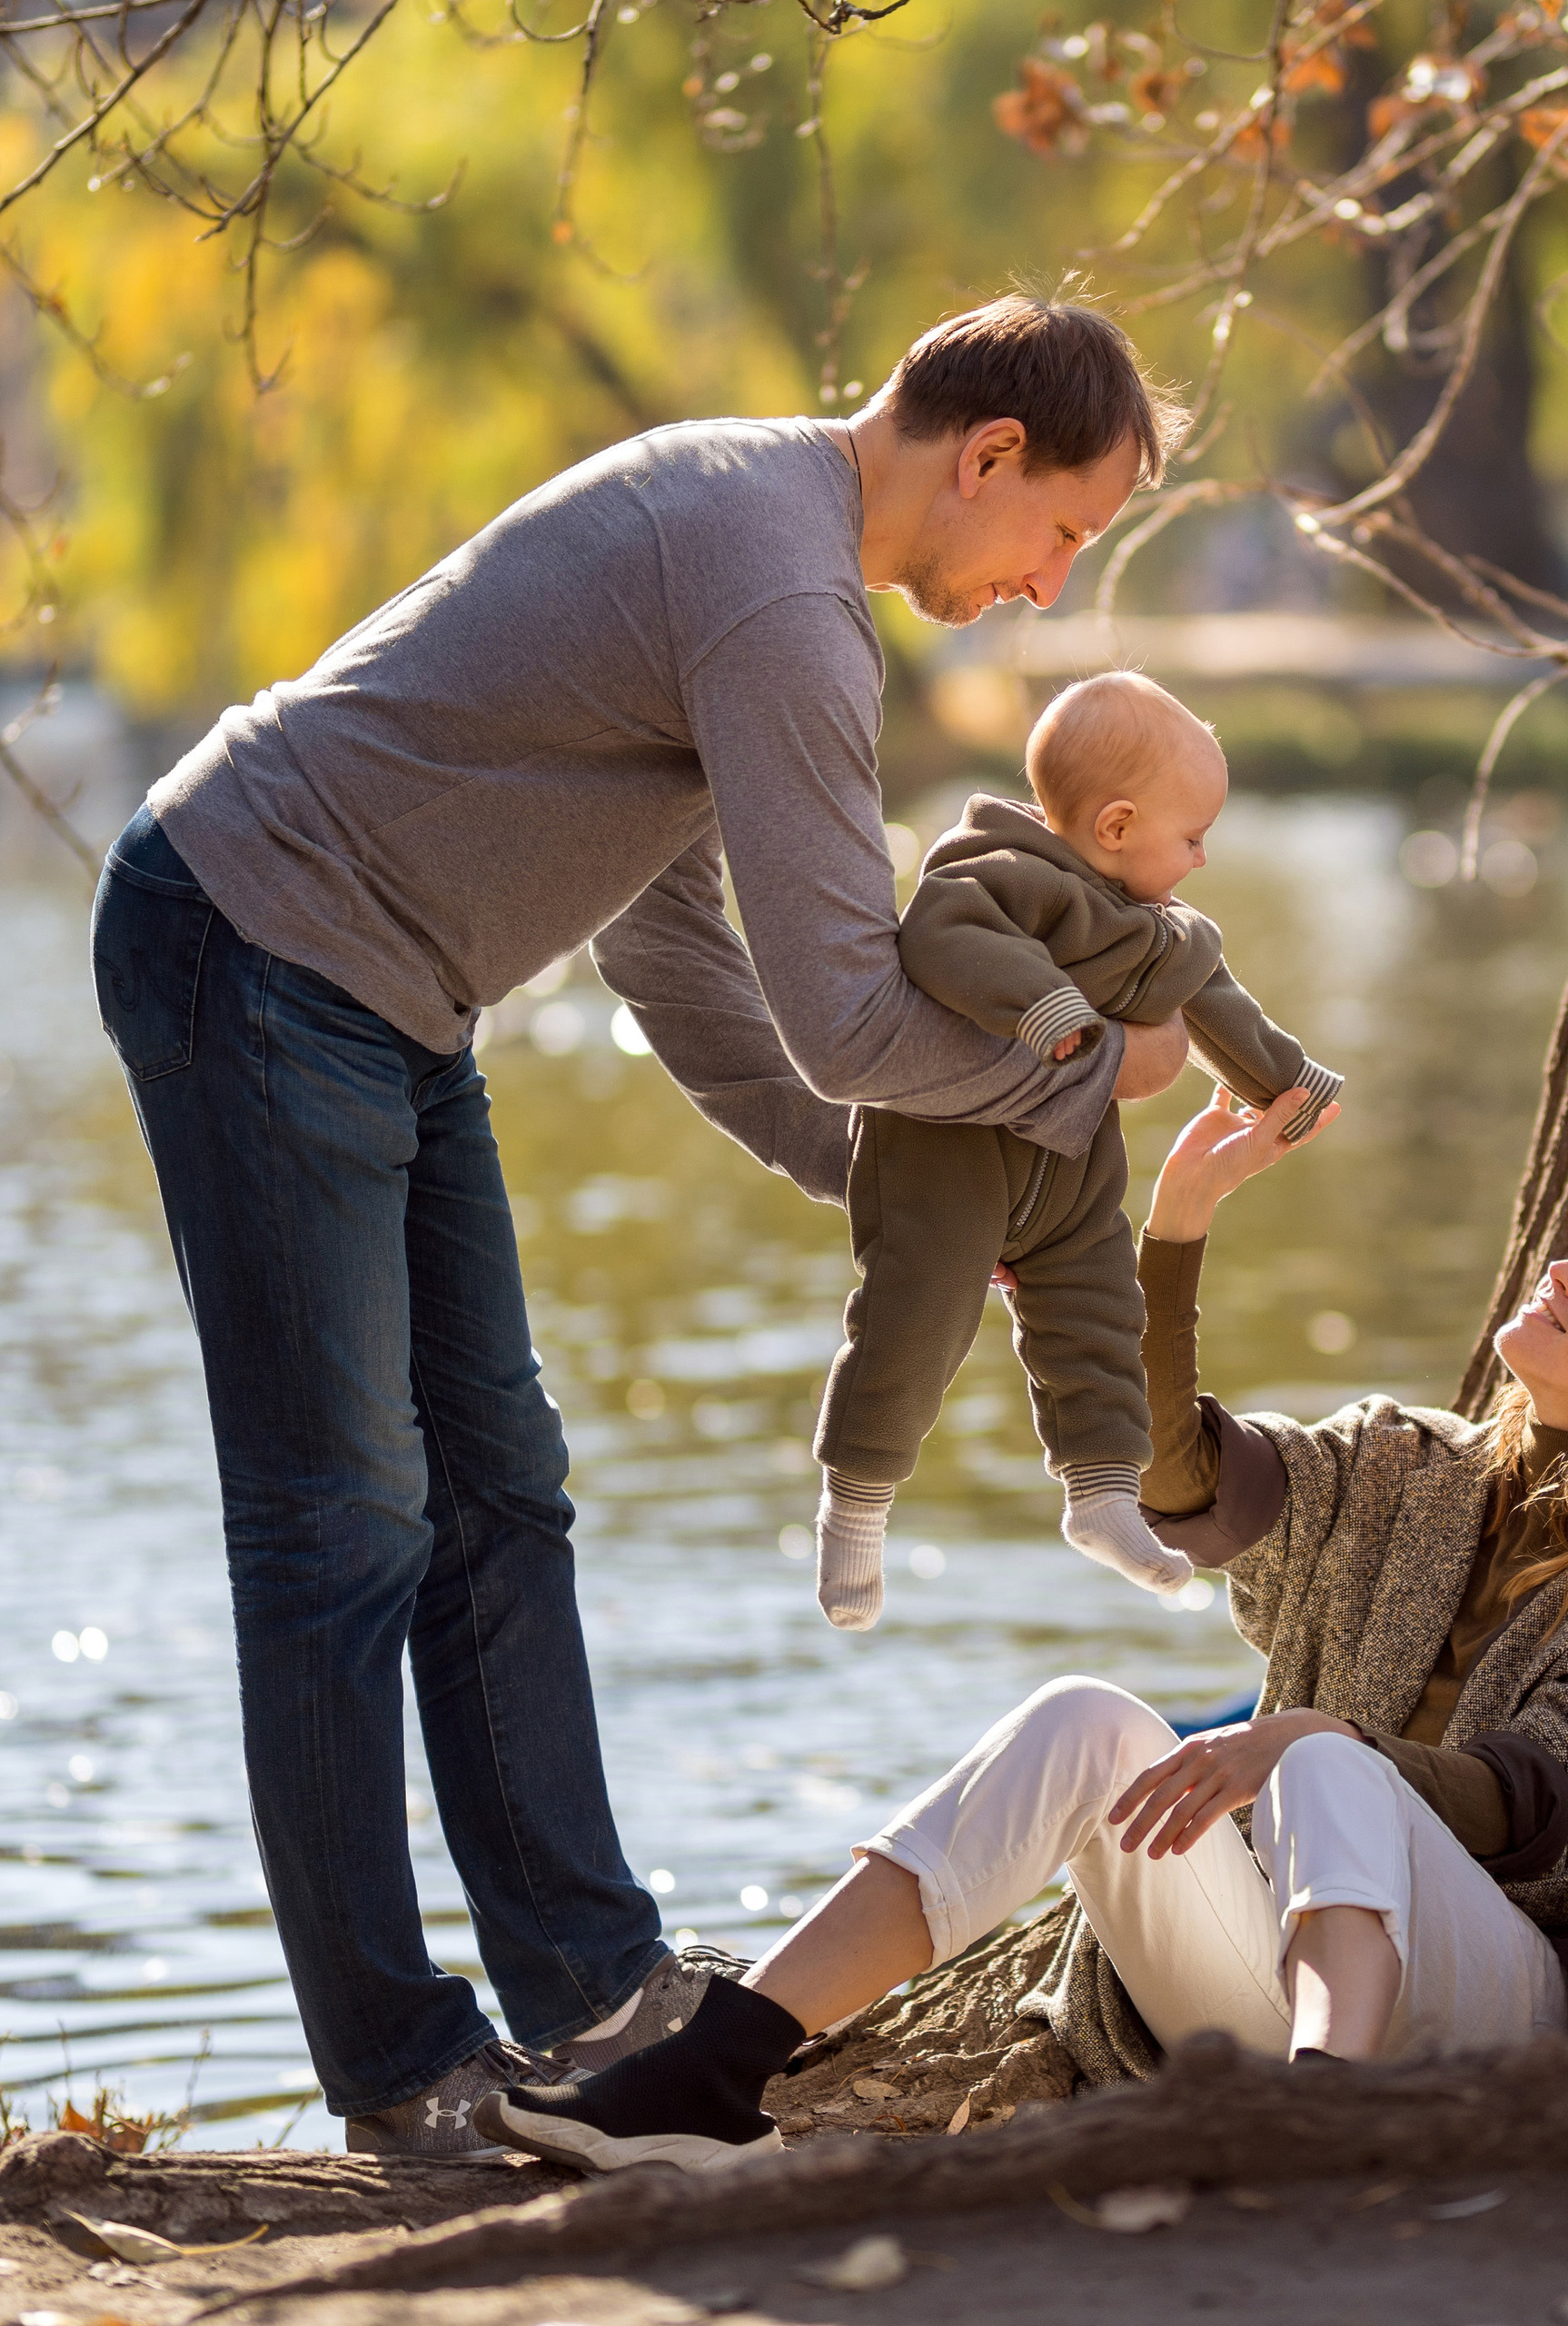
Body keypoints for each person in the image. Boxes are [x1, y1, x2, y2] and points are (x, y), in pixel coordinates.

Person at [84, 293, 1196, 2158]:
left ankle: (592, 1987)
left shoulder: (761, 543)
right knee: (340, 1525)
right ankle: (398, 2073)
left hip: (384, 996)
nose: (1048, 583)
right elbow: (848, 1016)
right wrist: (1084, 1082)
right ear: (988, 453)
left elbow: (675, 959)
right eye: (1062, 530)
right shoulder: (781, 602)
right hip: (253, 943)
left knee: (499, 1492)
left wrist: (904, 1195)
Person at [473, 1080, 1568, 2175]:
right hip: (1275, 1984)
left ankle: (1316, 2135)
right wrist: (1178, 1226)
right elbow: (1179, 1477)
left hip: (1500, 2001)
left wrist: (1320, 1740)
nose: (1565, 1267)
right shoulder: (1417, 1467)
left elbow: (1554, 1800)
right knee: (1087, 1719)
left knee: (1328, 1765)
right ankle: (709, 2077)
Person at [813, 671, 1342, 1631]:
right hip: (947, 1158)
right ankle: (857, 1502)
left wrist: (1290, 1089)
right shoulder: (997, 873)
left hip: (1069, 1167)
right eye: (1192, 837)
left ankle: (1101, 1493)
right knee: (915, 1321)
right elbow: (945, 937)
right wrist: (1047, 1006)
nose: (1204, 856)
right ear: (1116, 826)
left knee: (1100, 1310)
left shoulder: (1160, 930)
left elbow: (1221, 1008)